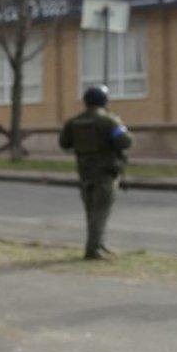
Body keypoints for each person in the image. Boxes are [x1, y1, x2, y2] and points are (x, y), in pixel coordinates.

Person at [59, 85, 132, 260]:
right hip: (106, 173)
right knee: (101, 212)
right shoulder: (109, 121)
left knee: (91, 211)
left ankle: (98, 244)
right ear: (104, 101)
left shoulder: (73, 121)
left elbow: (64, 143)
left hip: (85, 173)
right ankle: (93, 249)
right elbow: (126, 142)